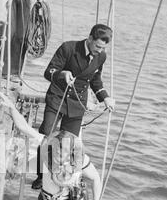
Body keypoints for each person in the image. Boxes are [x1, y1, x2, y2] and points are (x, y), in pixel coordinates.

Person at [32, 23, 115, 189]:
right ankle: (41, 176)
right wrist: (62, 74)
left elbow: (95, 81)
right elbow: (48, 71)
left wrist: (105, 97)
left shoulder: (101, 56)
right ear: (90, 38)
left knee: (68, 144)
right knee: (46, 136)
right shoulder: (68, 48)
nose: (100, 50)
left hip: (77, 104)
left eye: (103, 47)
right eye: (98, 46)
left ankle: (60, 175)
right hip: (57, 98)